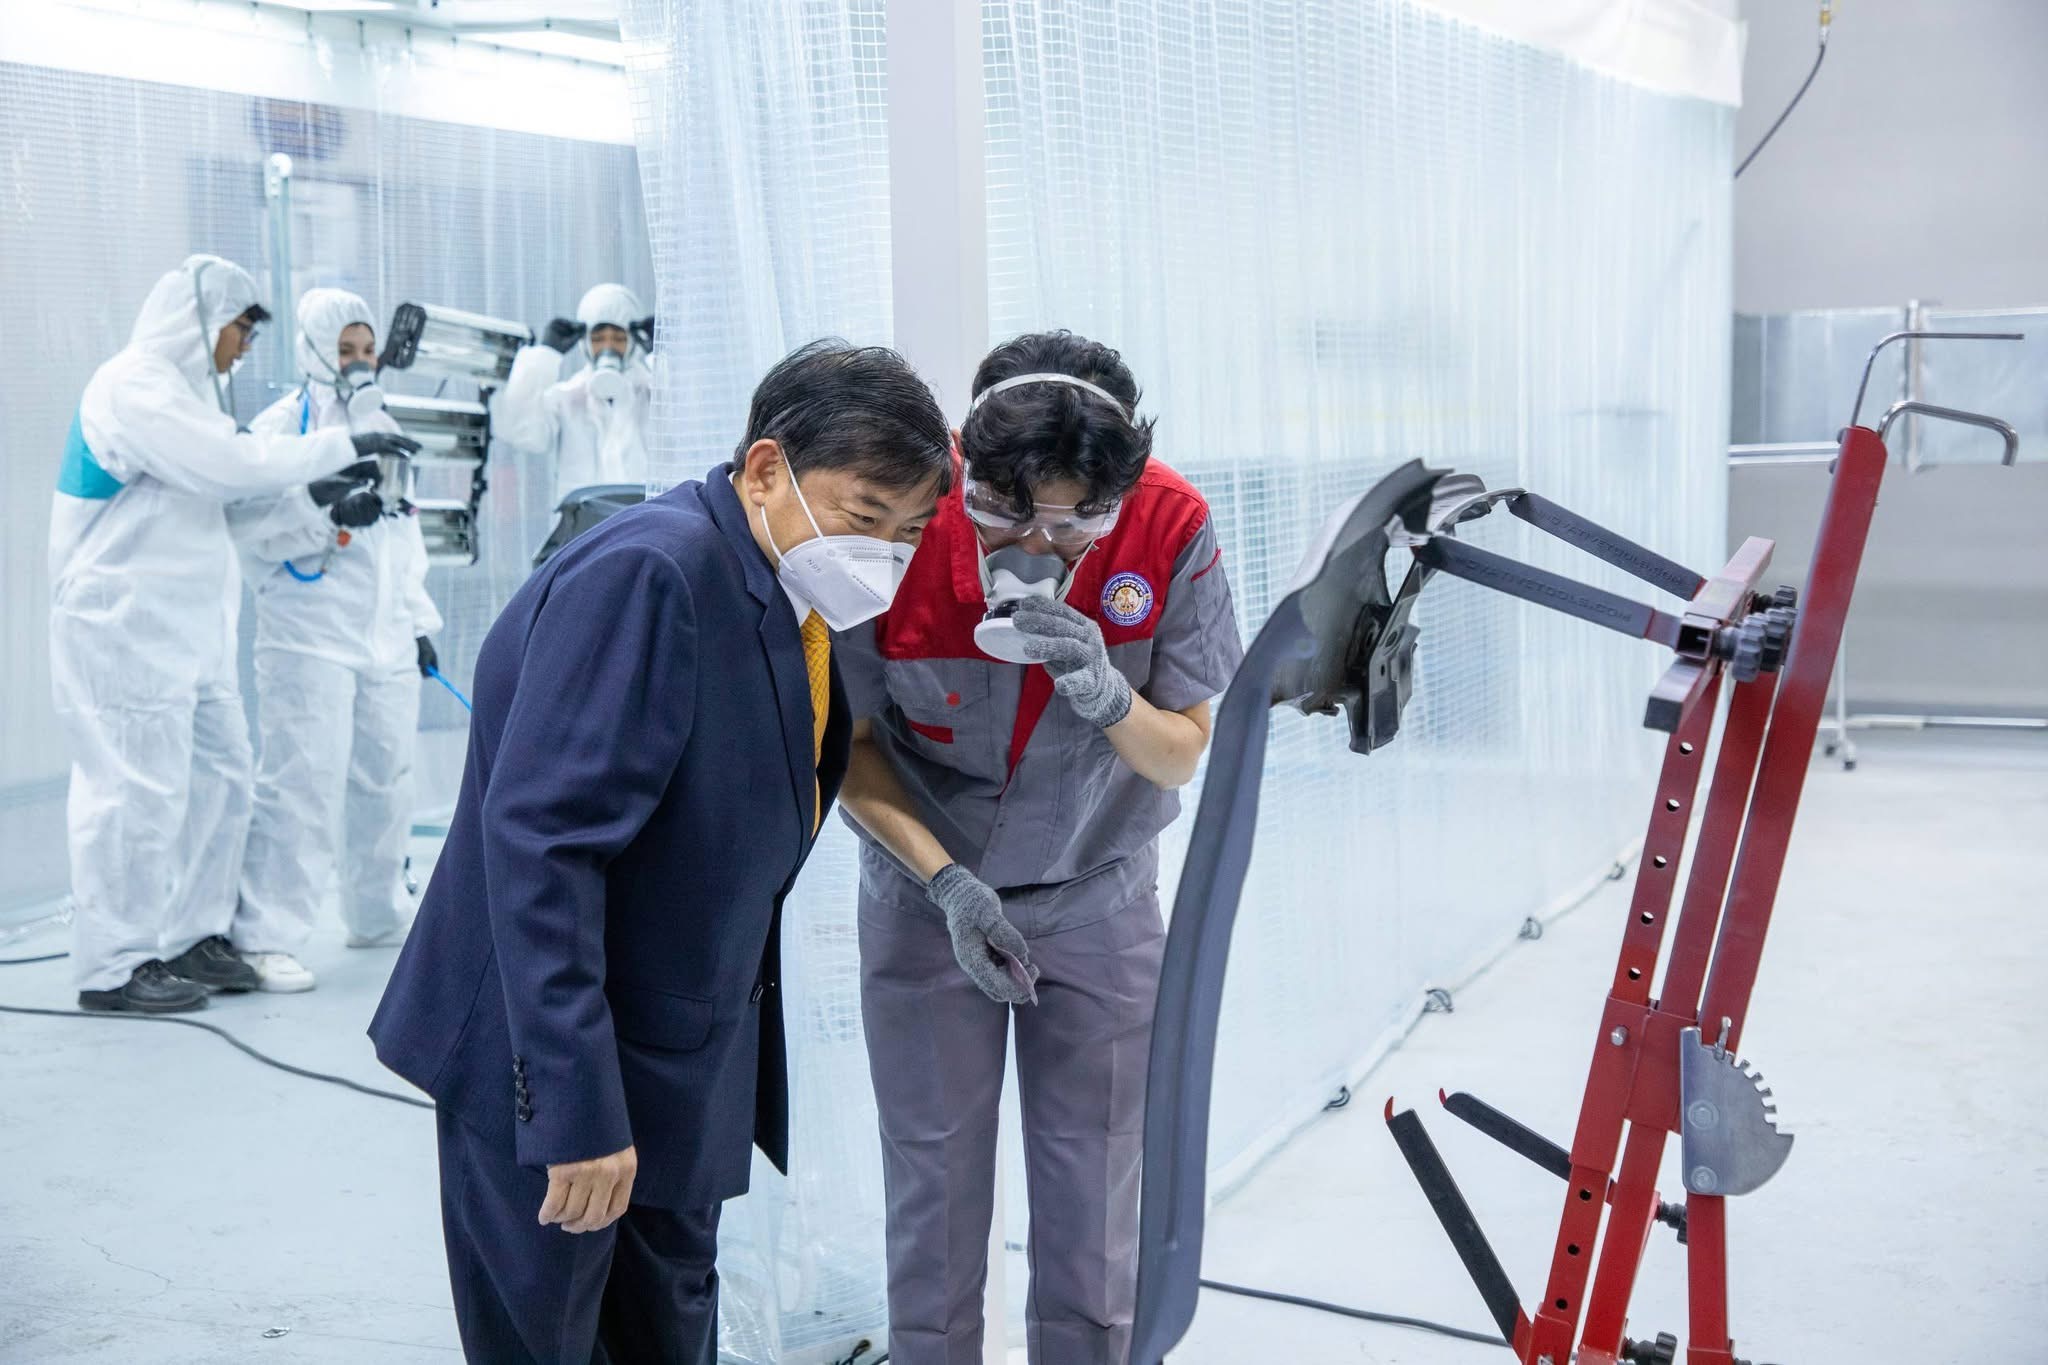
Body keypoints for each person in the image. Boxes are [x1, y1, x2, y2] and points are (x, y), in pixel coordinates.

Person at [368, 340, 952, 1364]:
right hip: (556, 1058)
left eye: (907, 532)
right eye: (865, 516)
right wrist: (574, 1112)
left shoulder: (780, 588)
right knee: (556, 1336)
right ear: (765, 468)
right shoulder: (651, 576)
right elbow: (543, 846)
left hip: (673, 1059)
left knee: (666, 1327)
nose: (884, 554)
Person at [836, 331, 1243, 1365]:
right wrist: (945, 883)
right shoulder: (902, 521)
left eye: (1074, 521)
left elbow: (1181, 752)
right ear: (964, 462)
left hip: (1096, 899)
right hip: (929, 897)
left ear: (1120, 491)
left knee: (1094, 1190)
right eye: (1006, 511)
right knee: (931, 1187)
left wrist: (1109, 697)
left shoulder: (1171, 525)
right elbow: (850, 749)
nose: (1038, 544)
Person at [50, 254, 416, 1014]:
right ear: (202, 320)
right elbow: (229, 466)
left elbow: (231, 502)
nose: (245, 347)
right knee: (133, 791)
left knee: (223, 781)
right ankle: (113, 964)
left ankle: (197, 935)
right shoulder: (135, 387)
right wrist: (343, 447)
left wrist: (314, 499)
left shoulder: (187, 399)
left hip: (190, 629)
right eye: (240, 330)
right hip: (123, 626)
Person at [224, 288, 445, 992]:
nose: (358, 362)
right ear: (314, 350)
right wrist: (324, 514)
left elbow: (405, 536)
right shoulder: (278, 429)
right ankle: (265, 937)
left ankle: (376, 911)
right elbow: (246, 526)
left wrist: (417, 623)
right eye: (344, 349)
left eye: (367, 349)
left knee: (387, 779)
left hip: (383, 635)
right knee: (302, 784)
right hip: (308, 635)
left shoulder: (385, 424)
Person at [493, 282, 655, 505]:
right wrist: (545, 355)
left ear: (633, 342)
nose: (608, 347)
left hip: (647, 518)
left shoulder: (655, 393)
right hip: (585, 520)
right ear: (584, 342)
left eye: (619, 338)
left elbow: (686, 417)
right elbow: (523, 433)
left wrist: (662, 357)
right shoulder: (566, 398)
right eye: (598, 339)